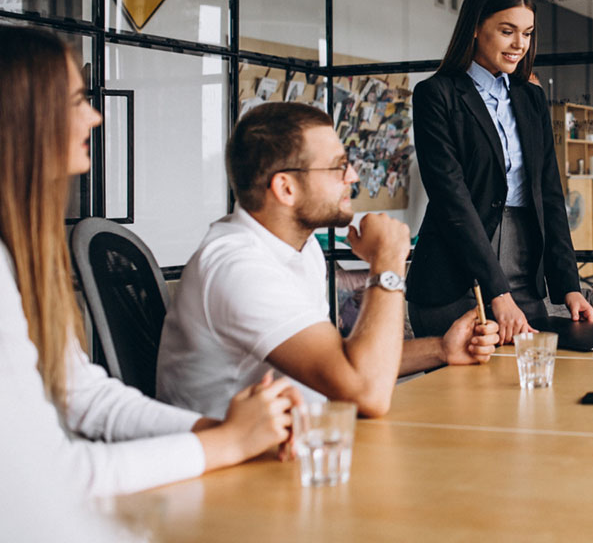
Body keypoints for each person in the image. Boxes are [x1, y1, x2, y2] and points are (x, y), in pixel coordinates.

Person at [0, 26, 298, 512]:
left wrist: (223, 432)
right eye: (77, 100)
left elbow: (86, 397)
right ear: (23, 117)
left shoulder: (18, 253)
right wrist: (225, 445)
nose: (95, 117)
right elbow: (50, 477)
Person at [157, 102, 499, 419]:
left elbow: (343, 362)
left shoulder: (300, 249)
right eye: (338, 167)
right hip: (237, 472)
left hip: (298, 446)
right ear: (286, 188)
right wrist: (388, 261)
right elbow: (367, 393)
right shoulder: (239, 268)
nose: (352, 177)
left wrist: (441, 349)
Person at [406, 0, 593, 343]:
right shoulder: (436, 95)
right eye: (507, 31)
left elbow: (550, 194)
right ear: (476, 27)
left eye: (527, 33)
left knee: (532, 388)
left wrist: (569, 285)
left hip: (523, 269)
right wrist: (498, 292)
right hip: (453, 277)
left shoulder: (531, 98)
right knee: (463, 397)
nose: (519, 44)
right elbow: (452, 200)